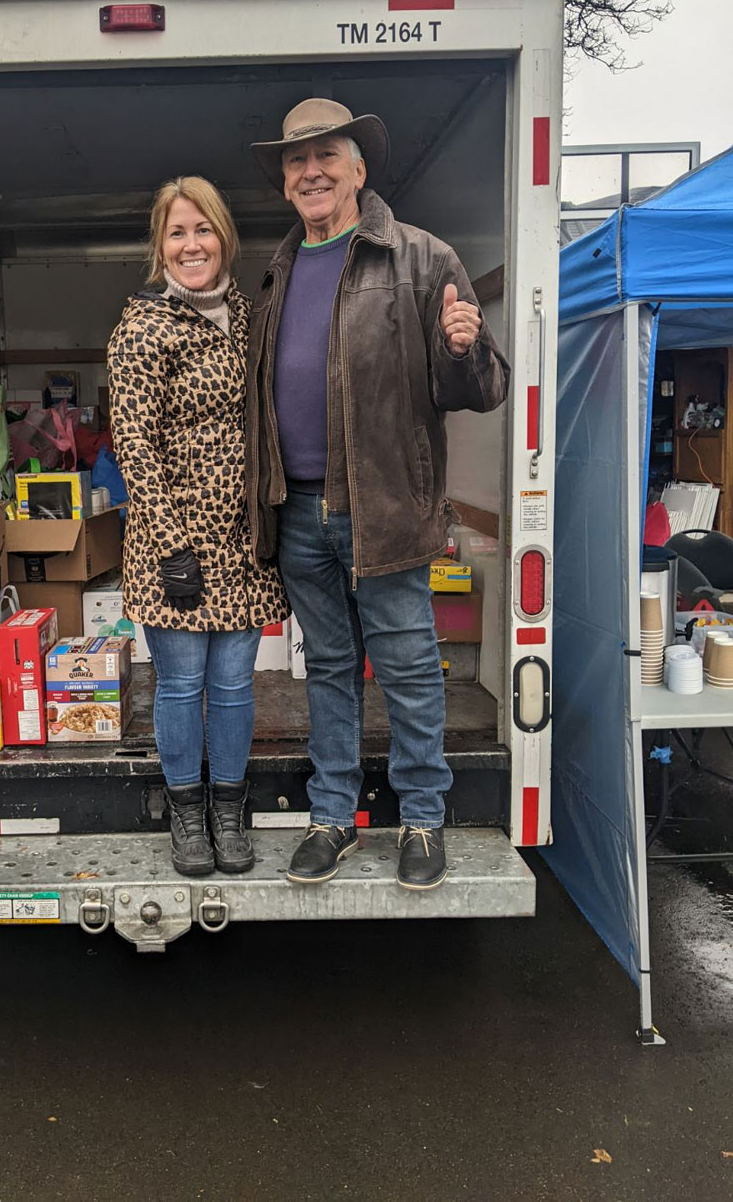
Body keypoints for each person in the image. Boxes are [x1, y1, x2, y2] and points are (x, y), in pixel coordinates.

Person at [245, 99, 509, 889]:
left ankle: (422, 819)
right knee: (328, 667)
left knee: (408, 667)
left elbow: (483, 385)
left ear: (359, 168)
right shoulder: (277, 271)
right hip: (299, 509)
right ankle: (333, 816)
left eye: (327, 154)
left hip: (385, 506)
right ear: (285, 181)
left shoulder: (422, 258)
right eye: (297, 159)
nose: (312, 171)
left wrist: (462, 349)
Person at [107, 176, 289, 877]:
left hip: (243, 542)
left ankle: (228, 812)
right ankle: (187, 816)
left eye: (203, 229)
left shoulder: (248, 316)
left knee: (235, 687)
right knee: (182, 686)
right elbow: (134, 444)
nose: (192, 245)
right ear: (160, 246)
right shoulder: (143, 327)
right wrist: (171, 544)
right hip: (176, 543)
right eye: (177, 232)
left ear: (224, 237)